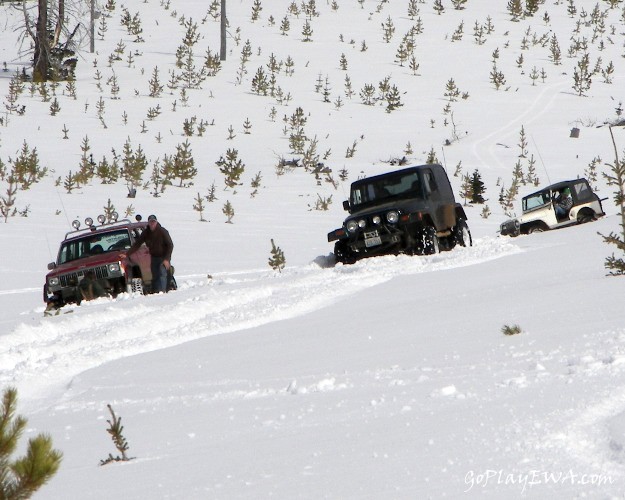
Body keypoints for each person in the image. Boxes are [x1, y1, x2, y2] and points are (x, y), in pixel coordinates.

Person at [123, 214, 174, 294]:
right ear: (148, 223)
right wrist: (127, 254)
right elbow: (137, 244)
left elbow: (170, 245)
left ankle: (162, 293)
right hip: (153, 257)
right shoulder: (146, 232)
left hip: (163, 257)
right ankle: (156, 292)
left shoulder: (162, 231)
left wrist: (167, 259)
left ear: (156, 222)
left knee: (162, 274)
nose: (152, 224)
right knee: (155, 275)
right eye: (150, 222)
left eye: (153, 222)